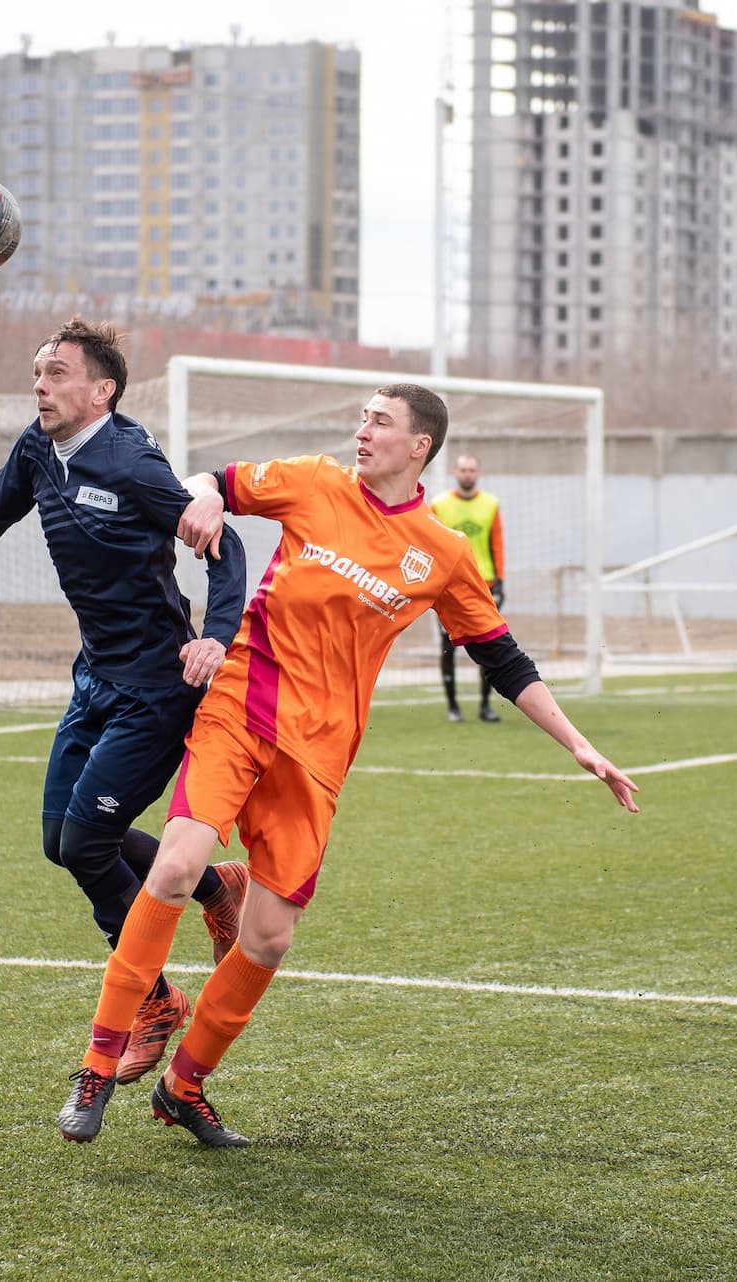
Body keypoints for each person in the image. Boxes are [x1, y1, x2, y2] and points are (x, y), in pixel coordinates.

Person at [56, 382, 640, 1147]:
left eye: (380, 421)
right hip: (241, 706)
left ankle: (184, 1087)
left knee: (269, 938)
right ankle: (96, 1069)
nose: (363, 430)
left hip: (318, 753)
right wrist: (202, 497)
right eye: (362, 417)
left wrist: (579, 743)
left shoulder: (441, 553)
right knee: (173, 868)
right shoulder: (313, 481)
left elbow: (502, 656)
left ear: (419, 445)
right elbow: (215, 479)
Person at [0, 317, 251, 1085]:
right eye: (37, 372)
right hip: (93, 677)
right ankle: (213, 884)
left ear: (102, 391)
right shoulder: (37, 449)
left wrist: (217, 637)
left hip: (157, 687)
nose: (40, 385)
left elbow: (224, 551)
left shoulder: (132, 462)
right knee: (61, 840)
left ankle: (155, 1001)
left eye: (57, 372)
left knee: (89, 844)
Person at [432, 453, 505, 723]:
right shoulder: (439, 504)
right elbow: (432, 544)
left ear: (478, 473)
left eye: (471, 470)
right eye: (463, 469)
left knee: (489, 644)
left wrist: (501, 579)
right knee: (448, 645)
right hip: (449, 587)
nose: (467, 474)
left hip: (484, 584)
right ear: (455, 472)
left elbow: (497, 543)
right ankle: (453, 706)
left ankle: (485, 705)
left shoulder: (490, 504)